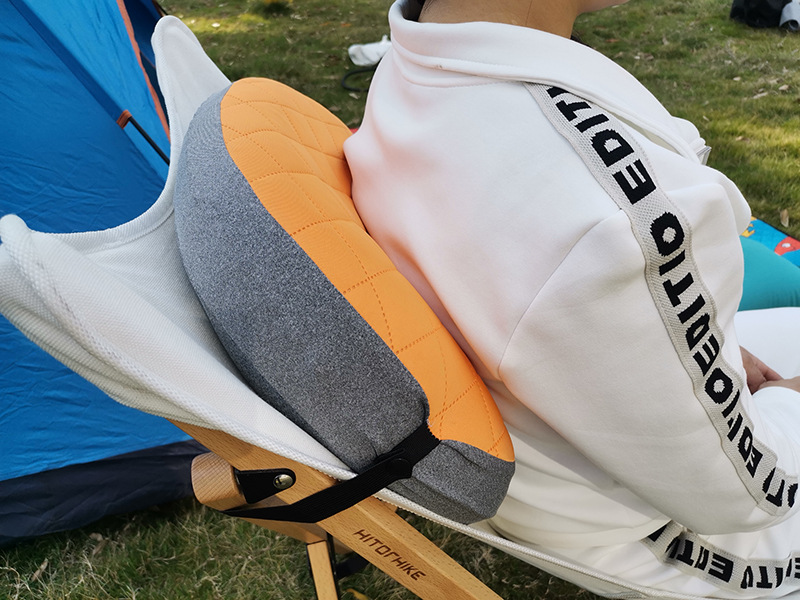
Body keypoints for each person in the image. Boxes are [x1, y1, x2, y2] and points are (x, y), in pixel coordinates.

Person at [343, 0, 800, 597]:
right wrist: (789, 402)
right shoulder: (610, 220)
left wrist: (692, 350)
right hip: (668, 530)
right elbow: (752, 496)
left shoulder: (428, 55)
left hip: (566, 439)